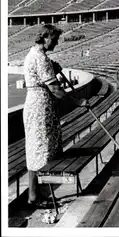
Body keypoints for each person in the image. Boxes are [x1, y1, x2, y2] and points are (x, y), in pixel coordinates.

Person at [23, 24, 88, 207]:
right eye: (55, 39)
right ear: (44, 37)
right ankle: (36, 196)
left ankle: (36, 195)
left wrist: (52, 65)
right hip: (40, 107)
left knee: (37, 151)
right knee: (41, 153)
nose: (57, 43)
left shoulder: (36, 55)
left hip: (38, 105)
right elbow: (55, 89)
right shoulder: (41, 58)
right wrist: (78, 102)